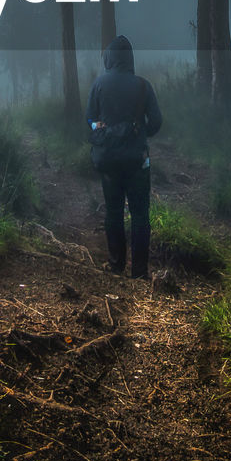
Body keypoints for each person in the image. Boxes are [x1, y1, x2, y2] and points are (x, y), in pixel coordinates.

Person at [85, 35, 162, 279]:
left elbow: (89, 119)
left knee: (113, 212)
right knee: (140, 214)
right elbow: (157, 122)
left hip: (109, 160)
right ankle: (139, 271)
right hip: (137, 160)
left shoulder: (99, 84)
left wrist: (104, 129)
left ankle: (116, 264)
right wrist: (140, 134)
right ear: (129, 58)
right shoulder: (143, 85)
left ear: (109, 58)